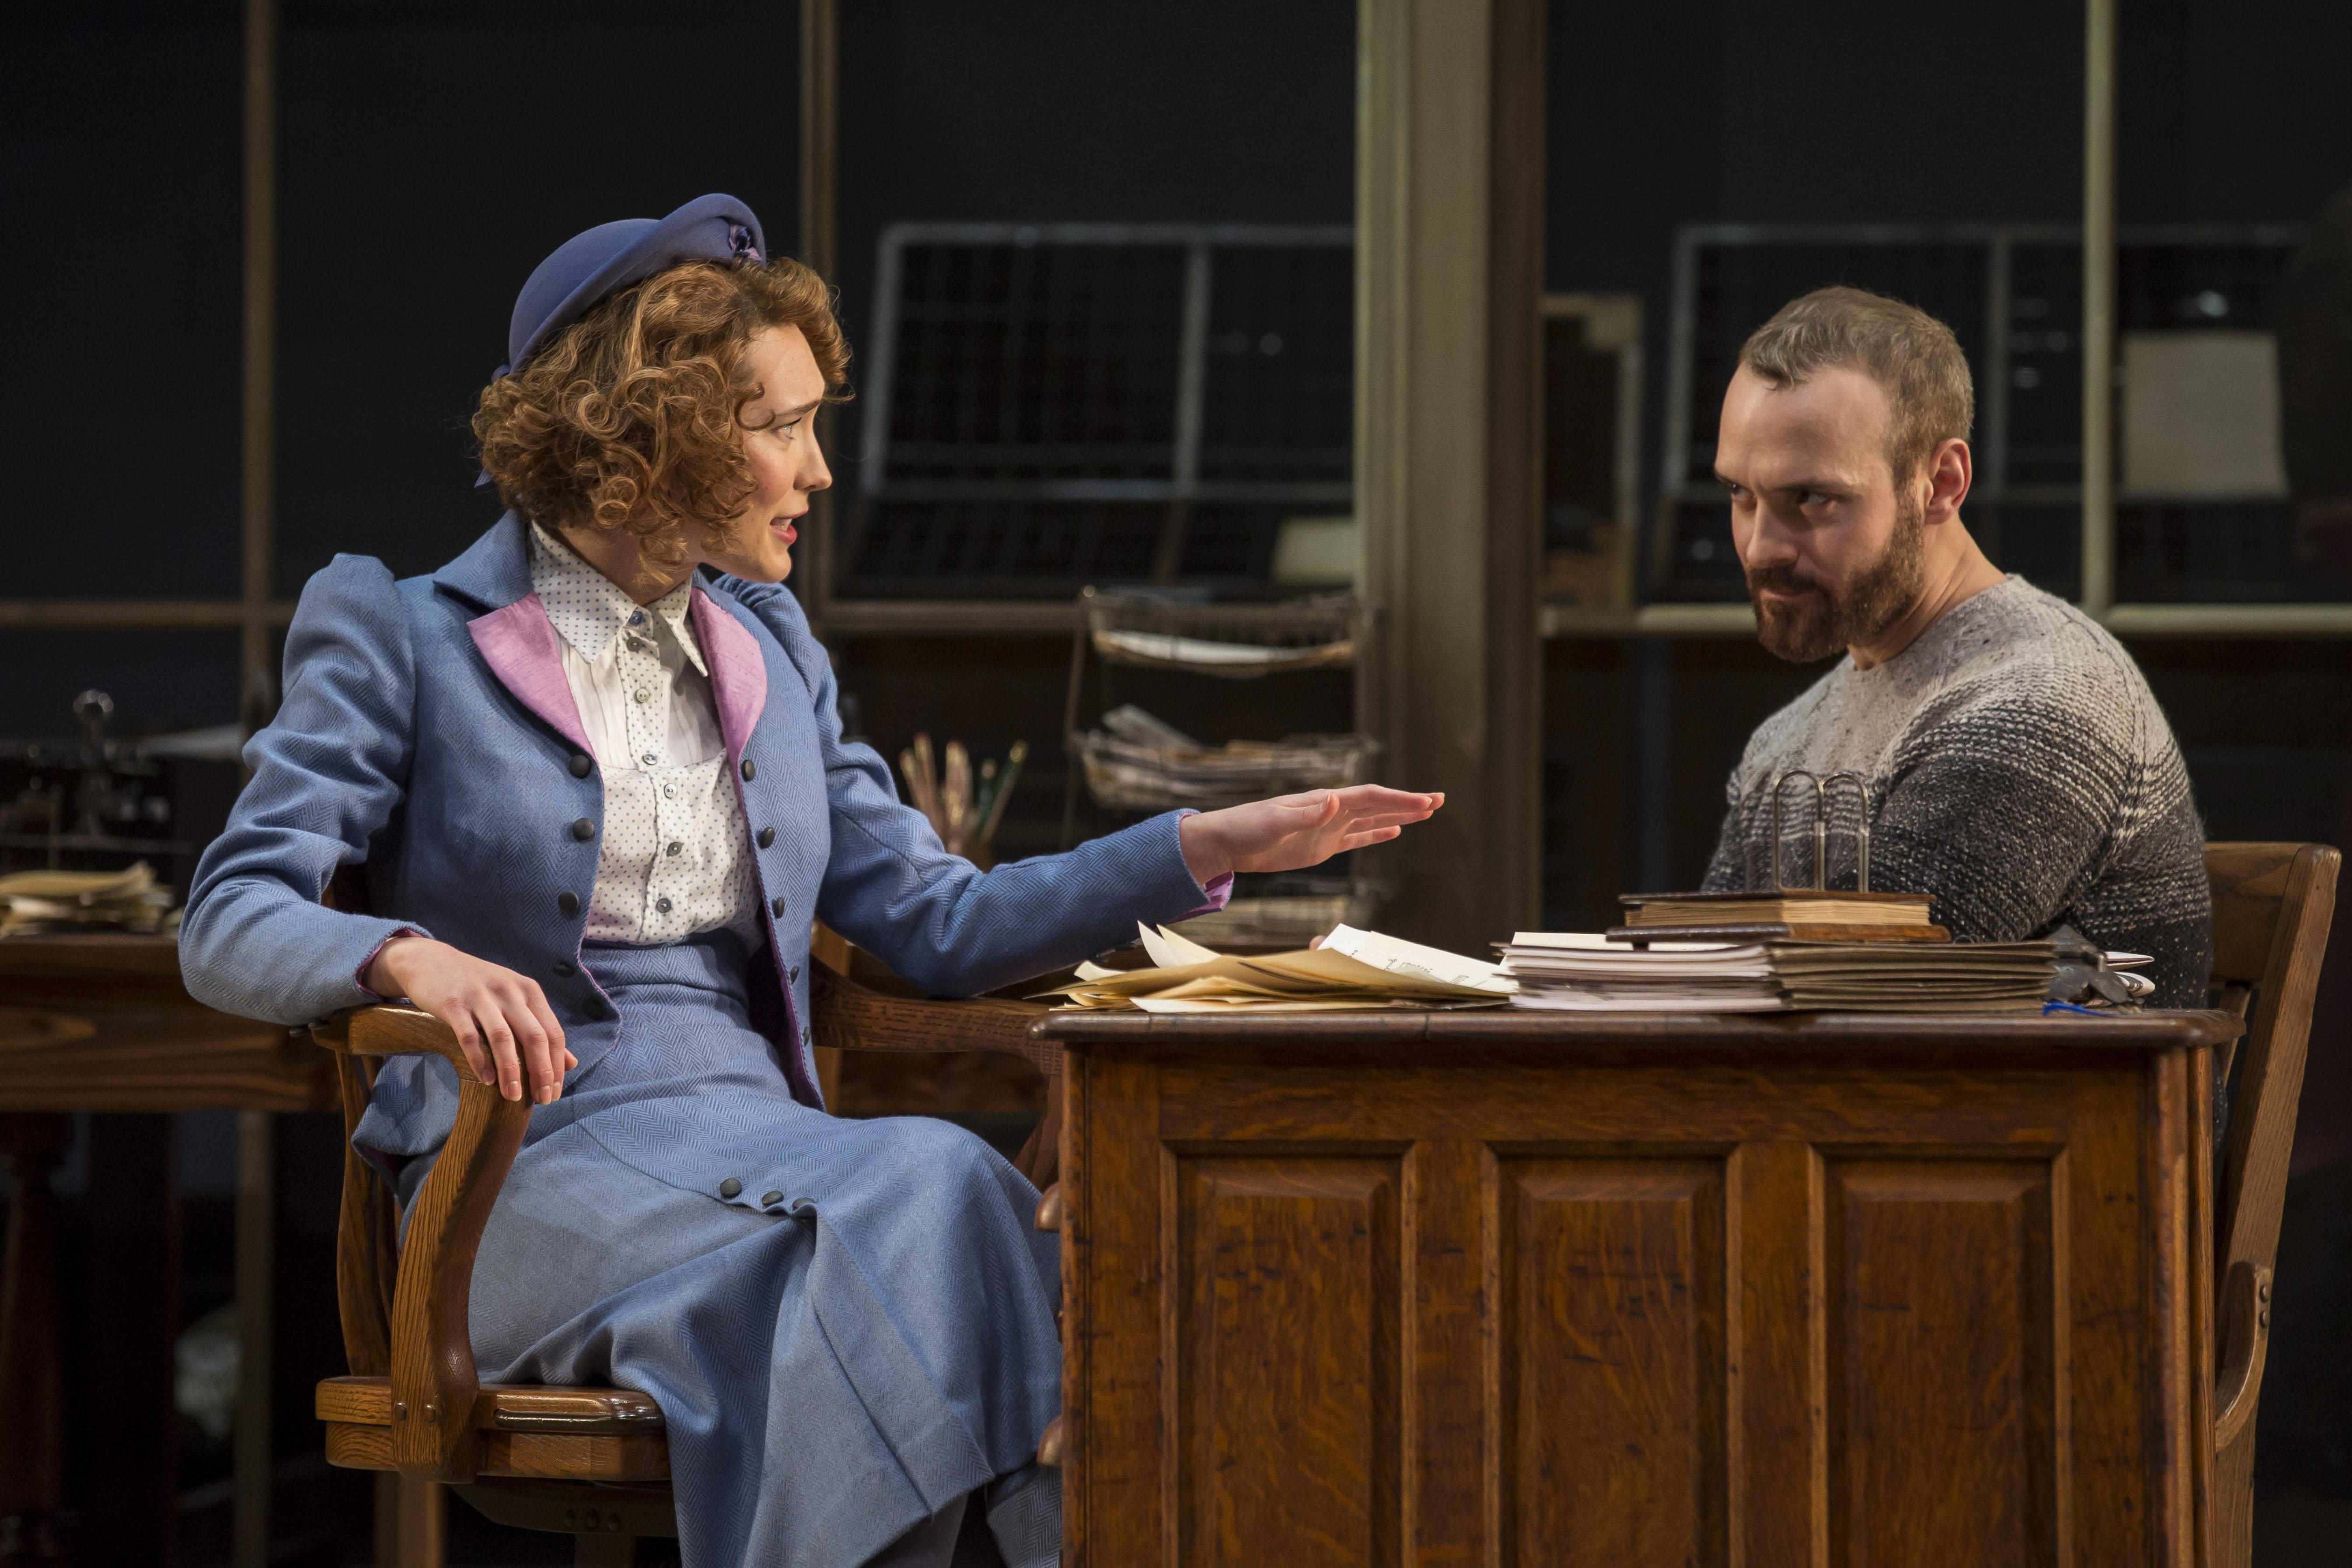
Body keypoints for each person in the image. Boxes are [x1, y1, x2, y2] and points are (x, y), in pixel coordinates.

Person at [177, 195, 1441, 1568]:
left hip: (765, 1162)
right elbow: (231, 914)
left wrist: (1208, 845)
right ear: (647, 426)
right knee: (945, 1194)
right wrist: (405, 957)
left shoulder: (770, 645)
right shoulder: (399, 629)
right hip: (519, 1176)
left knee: (857, 1285)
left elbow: (940, 923)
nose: (819, 469)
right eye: (782, 426)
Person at [1698, 285, 2212, 1007]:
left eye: (1812, 500)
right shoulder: (1783, 744)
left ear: (1940, 484)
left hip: (2042, 1118)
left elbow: (1868, 989)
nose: (1761, 547)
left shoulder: (2046, 701)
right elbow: (1702, 989)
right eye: (1740, 496)